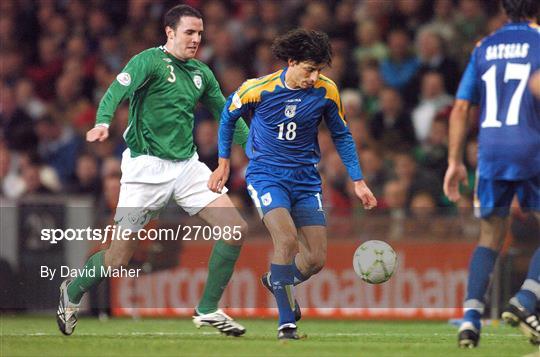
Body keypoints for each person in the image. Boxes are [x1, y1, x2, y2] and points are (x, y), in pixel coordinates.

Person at [57, 5, 250, 337]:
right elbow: (115, 92)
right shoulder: (148, 61)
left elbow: (227, 114)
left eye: (200, 33)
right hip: (145, 170)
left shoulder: (201, 73)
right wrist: (103, 122)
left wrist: (256, 149)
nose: (196, 39)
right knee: (118, 259)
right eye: (189, 32)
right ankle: (72, 292)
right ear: (170, 32)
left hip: (187, 167)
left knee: (235, 229)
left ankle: (206, 309)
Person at [208, 29, 377, 339]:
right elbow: (228, 115)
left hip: (305, 180)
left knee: (315, 260)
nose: (314, 77)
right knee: (285, 242)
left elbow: (341, 133)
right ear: (291, 61)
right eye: (309, 69)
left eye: (319, 70)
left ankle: (277, 281)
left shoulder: (327, 91)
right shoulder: (257, 88)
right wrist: (223, 162)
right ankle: (287, 325)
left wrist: (359, 181)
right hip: (266, 176)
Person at [443, 0, 540, 348]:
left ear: (504, 9)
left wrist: (455, 160)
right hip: (532, 146)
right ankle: (525, 300)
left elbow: (462, 107)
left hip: (491, 152)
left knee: (490, 235)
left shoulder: (485, 46)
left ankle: (470, 321)